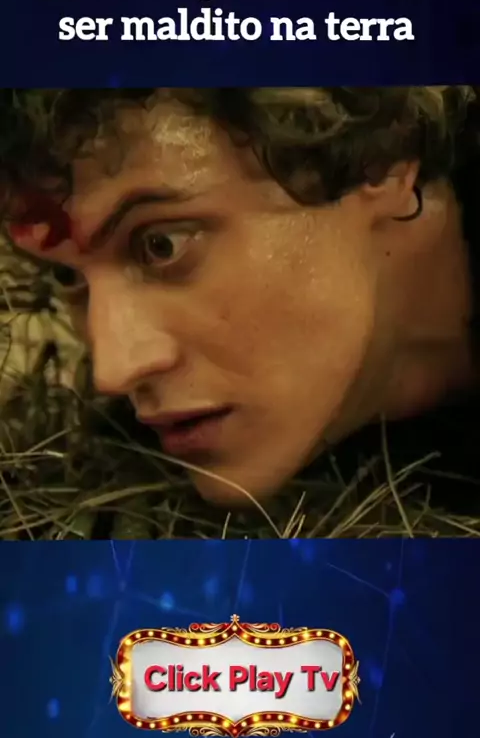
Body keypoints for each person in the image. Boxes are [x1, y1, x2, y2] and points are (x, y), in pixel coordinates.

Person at [1, 86, 479, 507]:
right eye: (67, 275)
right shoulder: (125, 455)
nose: (114, 370)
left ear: (380, 156)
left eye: (162, 245)